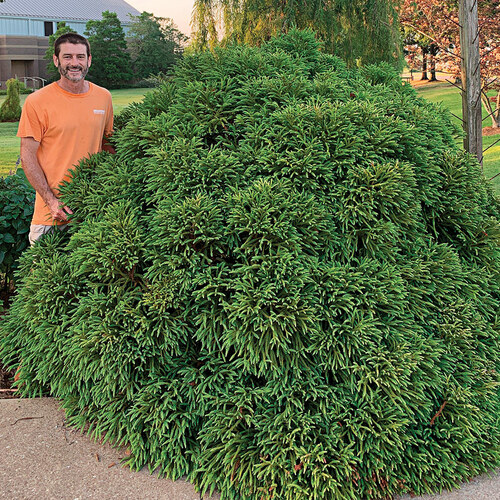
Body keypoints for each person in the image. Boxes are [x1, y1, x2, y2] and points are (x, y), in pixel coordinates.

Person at [17, 33, 114, 245]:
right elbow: (27, 157)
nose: (74, 63)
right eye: (67, 57)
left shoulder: (104, 97)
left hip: (92, 211)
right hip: (51, 215)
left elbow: (109, 148)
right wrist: (52, 201)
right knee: (46, 277)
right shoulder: (37, 102)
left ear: (89, 60)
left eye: (80, 57)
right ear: (56, 60)